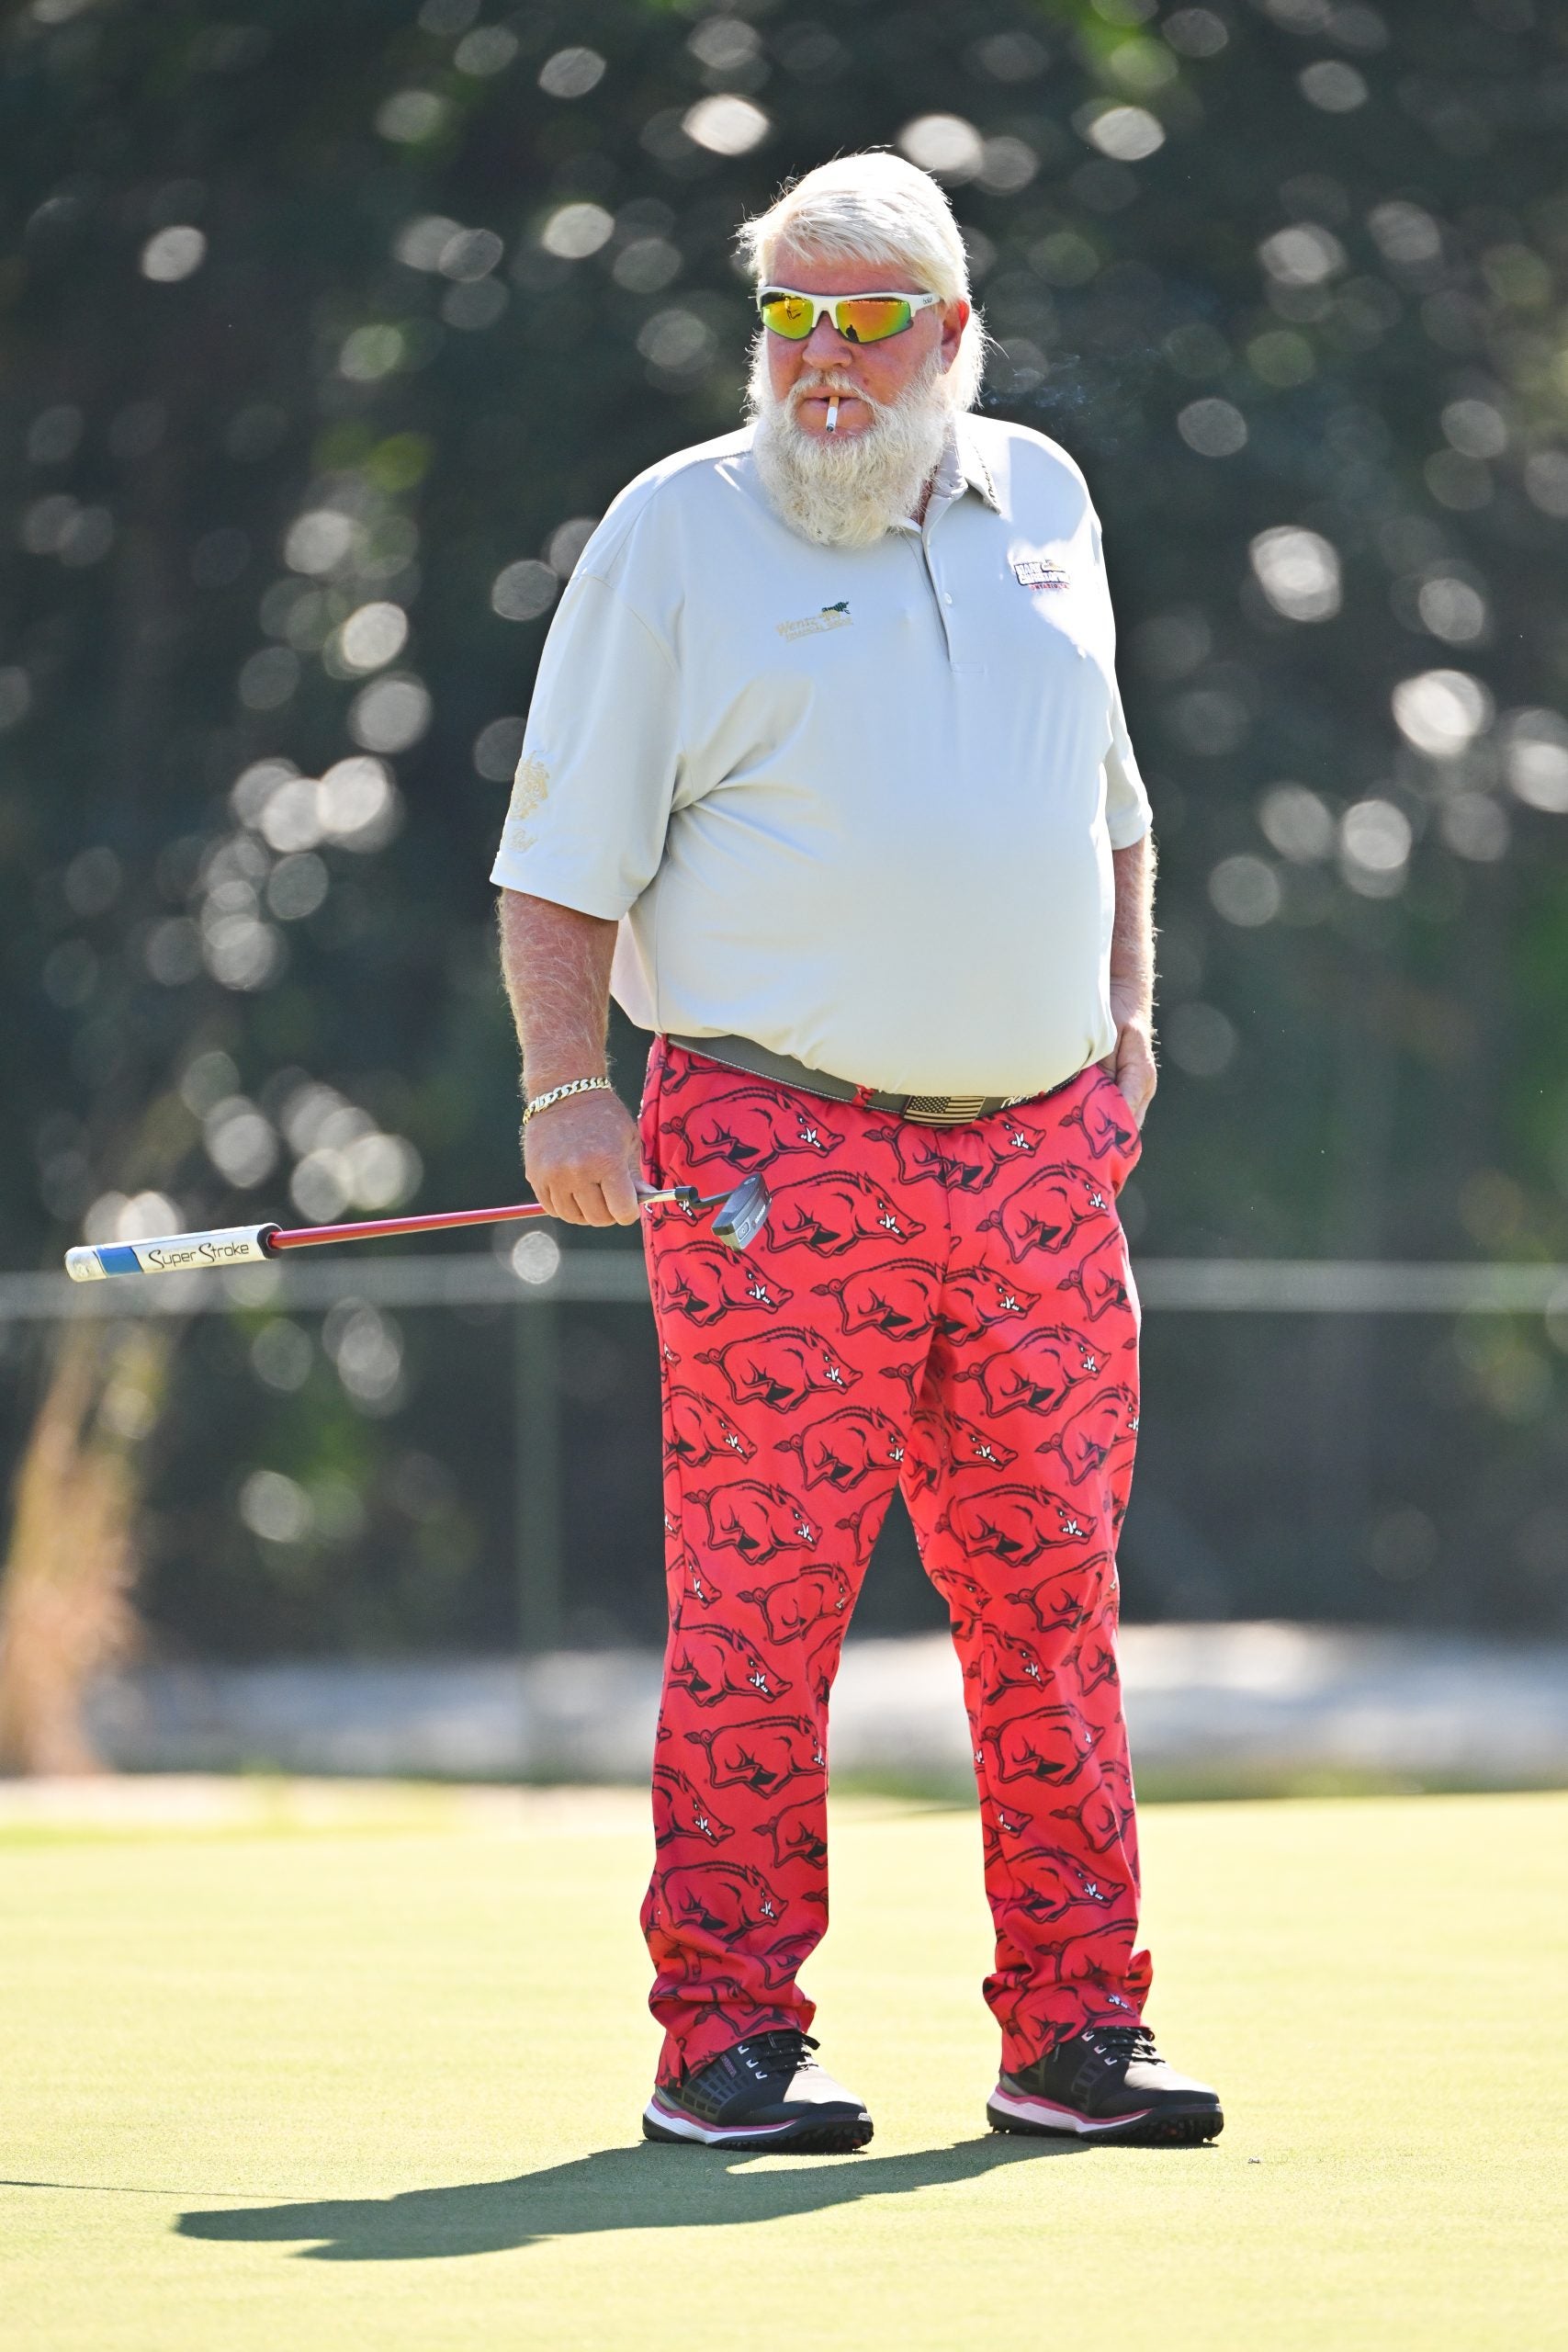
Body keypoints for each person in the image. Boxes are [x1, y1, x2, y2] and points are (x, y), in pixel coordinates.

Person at [494, 152, 1222, 2154]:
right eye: (788, 317)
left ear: (951, 335)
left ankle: (1074, 2029)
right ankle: (724, 2041)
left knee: (1051, 1599)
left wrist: (1126, 1032)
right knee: (761, 1601)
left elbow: (1112, 802)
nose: (821, 360)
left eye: (864, 318)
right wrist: (567, 1092)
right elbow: (558, 860)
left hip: (1040, 1157)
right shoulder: (677, 530)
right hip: (768, 1147)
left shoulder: (1046, 499)